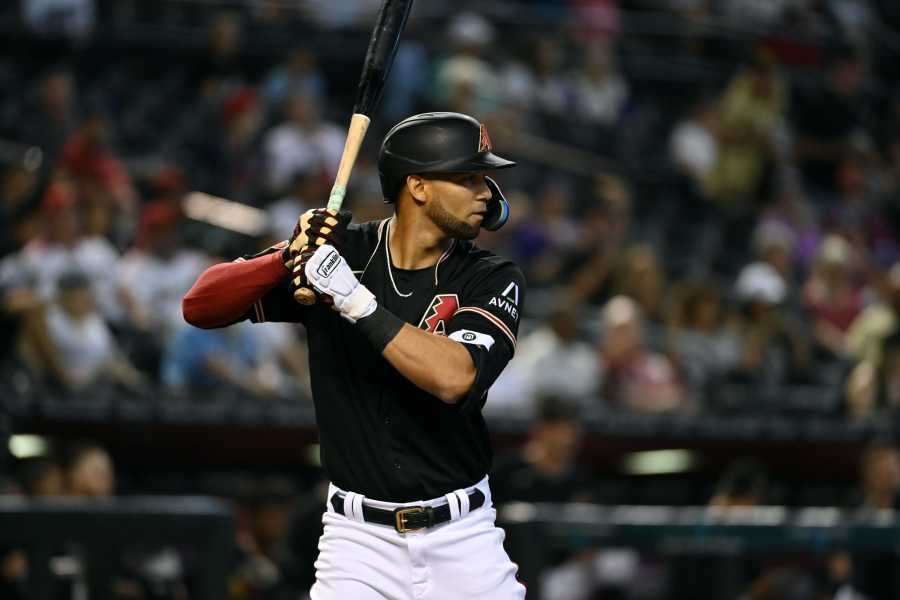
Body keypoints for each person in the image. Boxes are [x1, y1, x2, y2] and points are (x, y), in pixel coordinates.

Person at [183, 112, 527, 599]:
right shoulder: (342, 252)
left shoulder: (491, 275)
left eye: (485, 179)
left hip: (462, 536)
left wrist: (353, 299)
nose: (487, 193)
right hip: (357, 542)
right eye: (468, 177)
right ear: (419, 187)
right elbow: (199, 305)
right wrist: (285, 257)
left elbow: (456, 377)